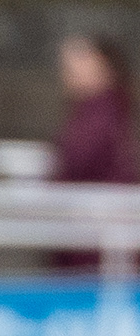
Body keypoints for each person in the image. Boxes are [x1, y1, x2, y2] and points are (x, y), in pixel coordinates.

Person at [51, 34, 137, 270]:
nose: (68, 69)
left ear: (103, 64)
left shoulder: (102, 115)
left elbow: (78, 161)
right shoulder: (102, 111)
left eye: (80, 59)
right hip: (90, 233)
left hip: (96, 236)